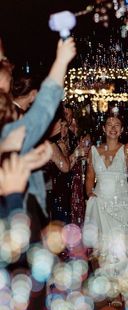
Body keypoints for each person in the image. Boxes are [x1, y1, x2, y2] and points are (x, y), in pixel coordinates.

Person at [0, 37, 76, 241]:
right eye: (2, 59)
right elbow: (41, 114)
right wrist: (61, 61)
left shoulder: (9, 117)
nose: (8, 65)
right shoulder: (10, 120)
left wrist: (24, 161)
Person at [83, 108, 128, 281]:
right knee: (103, 247)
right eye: (109, 124)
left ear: (122, 129)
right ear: (103, 128)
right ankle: (109, 285)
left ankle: (121, 283)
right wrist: (90, 194)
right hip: (101, 202)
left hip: (123, 204)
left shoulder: (125, 151)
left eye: (117, 125)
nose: (113, 128)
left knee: (121, 242)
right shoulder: (94, 151)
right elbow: (89, 177)